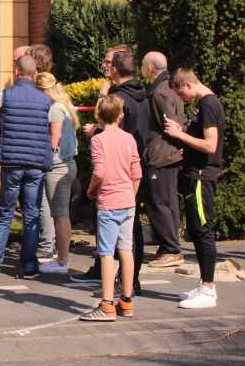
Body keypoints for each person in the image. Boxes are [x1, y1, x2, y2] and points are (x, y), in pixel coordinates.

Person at [0, 55, 53, 278]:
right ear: (35, 74)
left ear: (16, 71)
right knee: (32, 215)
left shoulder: (3, 96)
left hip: (11, 162)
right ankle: (30, 266)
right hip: (35, 163)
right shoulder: (45, 100)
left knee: (5, 213)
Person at [164, 68, 225, 309]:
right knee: (197, 229)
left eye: (180, 93)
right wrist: (187, 146)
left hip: (201, 176)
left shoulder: (209, 104)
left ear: (189, 84)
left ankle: (208, 289)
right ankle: (204, 284)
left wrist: (181, 135)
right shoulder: (204, 103)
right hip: (194, 173)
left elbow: (211, 145)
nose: (181, 99)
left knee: (202, 230)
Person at [79, 94, 141, 322]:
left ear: (98, 116)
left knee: (106, 253)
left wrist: (91, 188)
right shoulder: (129, 139)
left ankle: (107, 304)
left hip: (109, 201)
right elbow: (137, 172)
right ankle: (127, 300)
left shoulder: (98, 140)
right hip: (127, 201)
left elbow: (100, 170)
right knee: (126, 250)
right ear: (121, 116)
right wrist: (131, 195)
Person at [141, 52, 185, 267]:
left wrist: (179, 141)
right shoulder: (168, 87)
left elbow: (171, 123)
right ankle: (167, 247)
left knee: (158, 203)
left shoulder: (159, 91)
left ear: (149, 69)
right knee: (168, 203)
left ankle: (171, 249)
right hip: (169, 154)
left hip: (161, 155)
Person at [35, 72, 79, 274]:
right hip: (67, 163)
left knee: (60, 215)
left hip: (58, 166)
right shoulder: (65, 107)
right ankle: (62, 259)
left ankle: (62, 261)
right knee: (61, 214)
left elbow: (52, 144)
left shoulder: (54, 111)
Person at [27, 44, 56, 259]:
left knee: (42, 199)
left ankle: (46, 244)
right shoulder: (52, 85)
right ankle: (45, 242)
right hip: (42, 150)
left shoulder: (42, 88)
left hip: (42, 152)